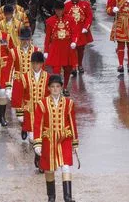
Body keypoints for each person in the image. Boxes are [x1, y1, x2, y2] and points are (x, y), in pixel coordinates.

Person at [33, 74, 79, 202]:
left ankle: (67, 197)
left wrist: (75, 143)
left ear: (61, 88)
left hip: (65, 139)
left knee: (66, 166)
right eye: (52, 87)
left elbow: (72, 123)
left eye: (57, 87)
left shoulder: (69, 103)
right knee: (49, 169)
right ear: (48, 88)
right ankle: (51, 197)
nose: (55, 89)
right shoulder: (42, 104)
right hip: (48, 140)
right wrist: (37, 143)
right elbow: (38, 124)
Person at [12, 51, 49, 169]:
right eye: (33, 63)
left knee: (44, 137)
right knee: (33, 138)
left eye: (38, 63)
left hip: (44, 113)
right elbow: (18, 95)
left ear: (42, 64)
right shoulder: (24, 77)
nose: (35, 65)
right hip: (30, 112)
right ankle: (37, 154)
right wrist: (20, 112)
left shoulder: (48, 77)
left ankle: (41, 158)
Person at [44, 0, 78, 96]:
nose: (59, 12)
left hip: (67, 48)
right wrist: (46, 50)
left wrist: (74, 42)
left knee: (68, 69)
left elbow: (75, 32)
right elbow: (47, 38)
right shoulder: (50, 21)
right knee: (56, 71)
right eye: (57, 10)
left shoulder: (70, 19)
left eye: (61, 10)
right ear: (55, 10)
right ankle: (56, 90)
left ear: (63, 10)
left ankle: (65, 87)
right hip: (56, 48)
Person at [64, 0, 93, 74]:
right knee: (72, 49)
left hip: (81, 30)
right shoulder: (66, 6)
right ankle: (73, 66)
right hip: (71, 31)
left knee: (81, 49)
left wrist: (86, 27)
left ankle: (80, 64)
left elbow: (89, 17)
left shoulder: (85, 4)